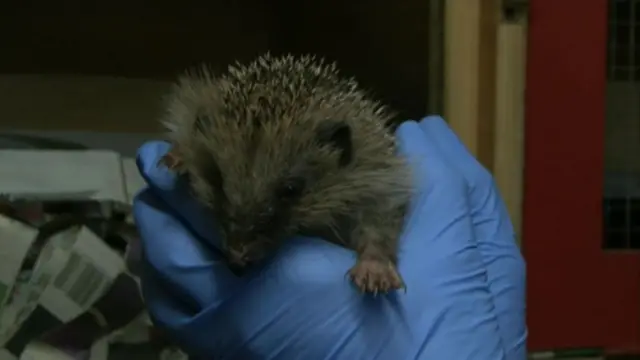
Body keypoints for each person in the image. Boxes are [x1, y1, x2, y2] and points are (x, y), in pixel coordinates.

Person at [133, 116, 527, 359]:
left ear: (338, 152)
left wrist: (375, 255)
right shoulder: (213, 131)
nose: (240, 251)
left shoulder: (364, 175)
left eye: (286, 194)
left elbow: (381, 211)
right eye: (222, 180)